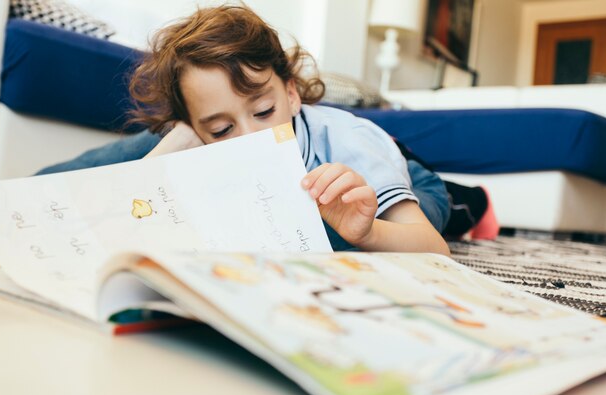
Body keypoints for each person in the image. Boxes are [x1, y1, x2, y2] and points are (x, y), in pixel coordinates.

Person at [38, 5, 451, 255]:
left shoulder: (349, 142)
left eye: (264, 111)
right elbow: (63, 193)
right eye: (220, 129)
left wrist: (370, 231)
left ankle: (473, 201)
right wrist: (172, 149)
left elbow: (434, 247)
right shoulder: (193, 137)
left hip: (404, 177)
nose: (250, 139)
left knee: (337, 231)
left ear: (291, 94)